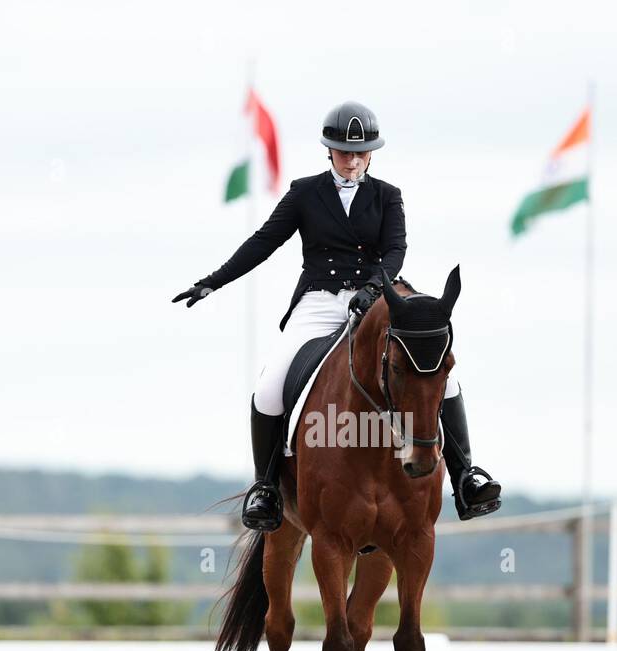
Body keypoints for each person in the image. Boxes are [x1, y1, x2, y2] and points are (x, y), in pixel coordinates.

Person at [173, 100, 501, 531]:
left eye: (360, 152)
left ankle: (465, 475)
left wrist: (372, 288)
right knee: (270, 388)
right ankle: (266, 489)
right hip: (319, 300)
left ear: (371, 154)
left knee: (442, 372)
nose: (352, 160)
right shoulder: (305, 193)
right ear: (329, 151)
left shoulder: (388, 196)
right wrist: (214, 280)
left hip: (376, 300)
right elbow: (264, 241)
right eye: (344, 152)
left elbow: (396, 249)